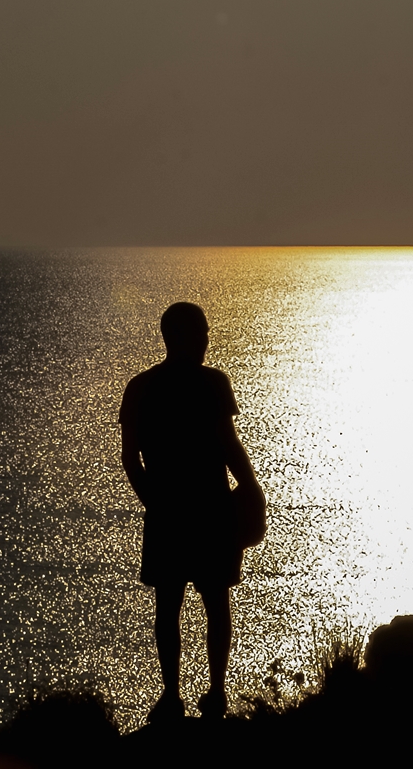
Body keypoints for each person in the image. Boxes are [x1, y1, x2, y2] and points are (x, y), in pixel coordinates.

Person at [119, 301, 260, 723]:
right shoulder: (212, 384)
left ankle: (181, 695)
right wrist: (250, 487)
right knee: (210, 603)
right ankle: (205, 694)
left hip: (178, 511)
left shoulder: (141, 387)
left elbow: (132, 459)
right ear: (179, 337)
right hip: (210, 509)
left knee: (175, 605)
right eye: (200, 333)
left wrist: (155, 503)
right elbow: (228, 444)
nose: (206, 340)